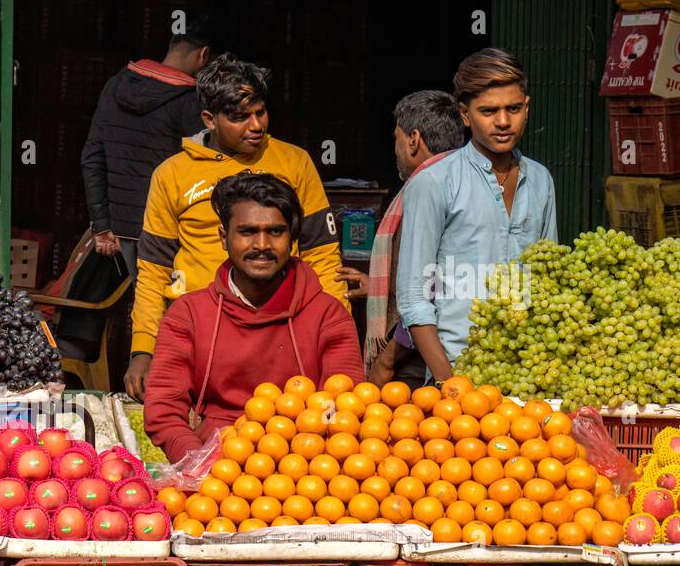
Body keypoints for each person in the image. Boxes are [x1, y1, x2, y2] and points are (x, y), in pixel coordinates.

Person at [127, 53, 345, 401]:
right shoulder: (173, 174)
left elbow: (324, 256)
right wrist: (143, 349)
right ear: (209, 120)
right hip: (202, 335)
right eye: (240, 117)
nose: (256, 125)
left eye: (260, 112)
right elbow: (153, 271)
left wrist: (336, 336)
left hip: (283, 331)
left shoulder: (295, 162)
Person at [143, 172, 363, 462]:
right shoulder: (188, 314)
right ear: (224, 237)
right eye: (247, 232)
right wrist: (198, 461)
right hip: (213, 470)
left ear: (292, 238)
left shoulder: (328, 315)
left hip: (305, 472)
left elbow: (347, 409)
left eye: (275, 232)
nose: (261, 245)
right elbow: (163, 409)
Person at [396, 48, 557, 382]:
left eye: (513, 109)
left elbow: (549, 280)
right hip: (457, 369)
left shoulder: (541, 180)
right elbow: (414, 298)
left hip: (530, 371)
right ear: (465, 115)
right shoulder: (433, 182)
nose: (502, 121)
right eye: (488, 111)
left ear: (526, 107)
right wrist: (449, 381)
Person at [335, 90, 464, 387]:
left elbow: (427, 290)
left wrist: (387, 359)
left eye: (397, 137)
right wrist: (383, 289)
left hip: (417, 363)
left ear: (413, 139)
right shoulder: (461, 183)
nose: (395, 147)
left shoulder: (427, 189)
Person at [81, 17, 213, 278]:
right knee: (181, 313)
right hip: (175, 230)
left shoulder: (115, 86)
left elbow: (92, 157)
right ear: (203, 55)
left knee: (147, 308)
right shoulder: (190, 102)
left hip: (126, 230)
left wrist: (102, 224)